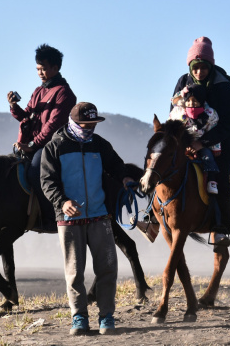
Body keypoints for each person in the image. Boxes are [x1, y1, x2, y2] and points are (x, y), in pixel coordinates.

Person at [41, 102, 134, 335]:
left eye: (93, 124)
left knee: (107, 267)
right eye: (86, 124)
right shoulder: (55, 147)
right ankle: (79, 318)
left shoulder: (100, 144)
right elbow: (47, 182)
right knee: (74, 271)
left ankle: (106, 317)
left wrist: (124, 179)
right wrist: (62, 202)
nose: (90, 128)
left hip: (100, 215)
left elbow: (116, 166)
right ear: (73, 122)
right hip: (69, 219)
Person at [174, 36, 230, 246]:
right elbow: (173, 112)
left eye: (203, 67)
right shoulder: (183, 81)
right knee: (160, 164)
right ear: (190, 67)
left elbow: (228, 126)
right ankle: (151, 218)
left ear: (211, 65)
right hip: (186, 137)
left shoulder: (226, 89)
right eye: (195, 68)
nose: (199, 72)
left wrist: (202, 143)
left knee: (222, 179)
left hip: (220, 140)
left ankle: (221, 228)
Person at [8, 44, 77, 229]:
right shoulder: (38, 91)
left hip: (52, 145)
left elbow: (53, 125)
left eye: (43, 68)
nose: (40, 72)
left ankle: (50, 215)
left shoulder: (64, 93)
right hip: (33, 144)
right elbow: (27, 115)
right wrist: (14, 107)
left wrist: (32, 144)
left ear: (56, 68)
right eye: (38, 68)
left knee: (34, 171)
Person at [169, 83, 221, 194]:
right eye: (188, 101)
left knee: (208, 156)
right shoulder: (178, 113)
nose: (191, 103)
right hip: (182, 145)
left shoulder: (209, 115)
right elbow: (170, 128)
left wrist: (215, 148)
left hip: (201, 144)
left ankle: (212, 180)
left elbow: (212, 130)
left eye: (195, 101)